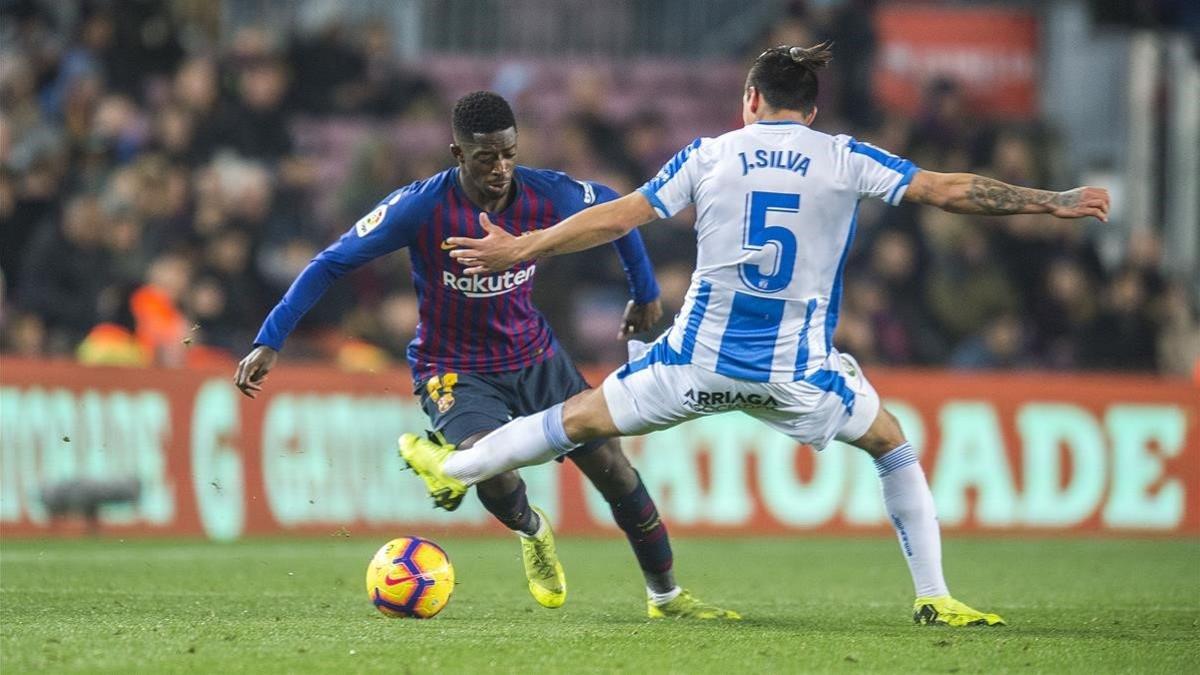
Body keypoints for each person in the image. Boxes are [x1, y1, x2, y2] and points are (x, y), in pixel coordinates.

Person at [399, 44, 1112, 627]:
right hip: (796, 371)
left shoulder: (710, 155)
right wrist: (1051, 201)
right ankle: (934, 594)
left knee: (573, 421)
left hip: (693, 362)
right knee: (891, 442)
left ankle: (452, 466)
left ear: (748, 102)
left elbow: (618, 217)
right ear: (813, 107)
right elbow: (947, 189)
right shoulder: (844, 157)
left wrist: (522, 249)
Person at [235, 91, 738, 620]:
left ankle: (667, 596)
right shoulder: (421, 207)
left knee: (613, 468)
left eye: (508, 154)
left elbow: (617, 210)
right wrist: (271, 338)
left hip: (536, 355)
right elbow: (330, 262)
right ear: (458, 154)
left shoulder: (546, 193)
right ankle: (532, 529)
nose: (500, 168)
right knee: (490, 468)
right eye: (485, 158)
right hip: (453, 368)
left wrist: (643, 289)